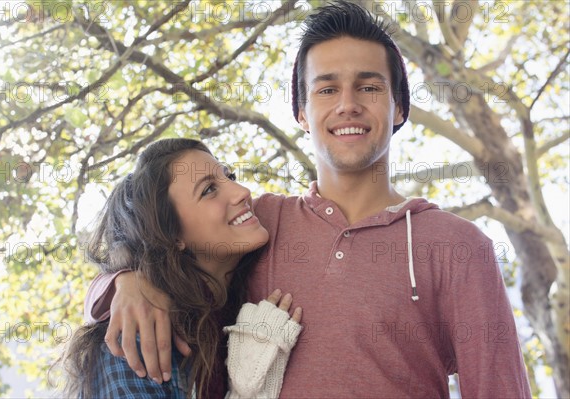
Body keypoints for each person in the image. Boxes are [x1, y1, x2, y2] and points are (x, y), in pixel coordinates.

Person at [85, 2, 531, 397]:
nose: (348, 104)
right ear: (302, 112)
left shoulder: (460, 247)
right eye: (327, 88)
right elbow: (162, 257)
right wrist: (127, 282)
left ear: (399, 108)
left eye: (370, 87)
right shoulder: (257, 224)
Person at [58, 138, 302, 398]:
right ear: (172, 235)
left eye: (229, 176)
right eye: (209, 190)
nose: (241, 191)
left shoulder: (242, 297)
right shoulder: (137, 336)